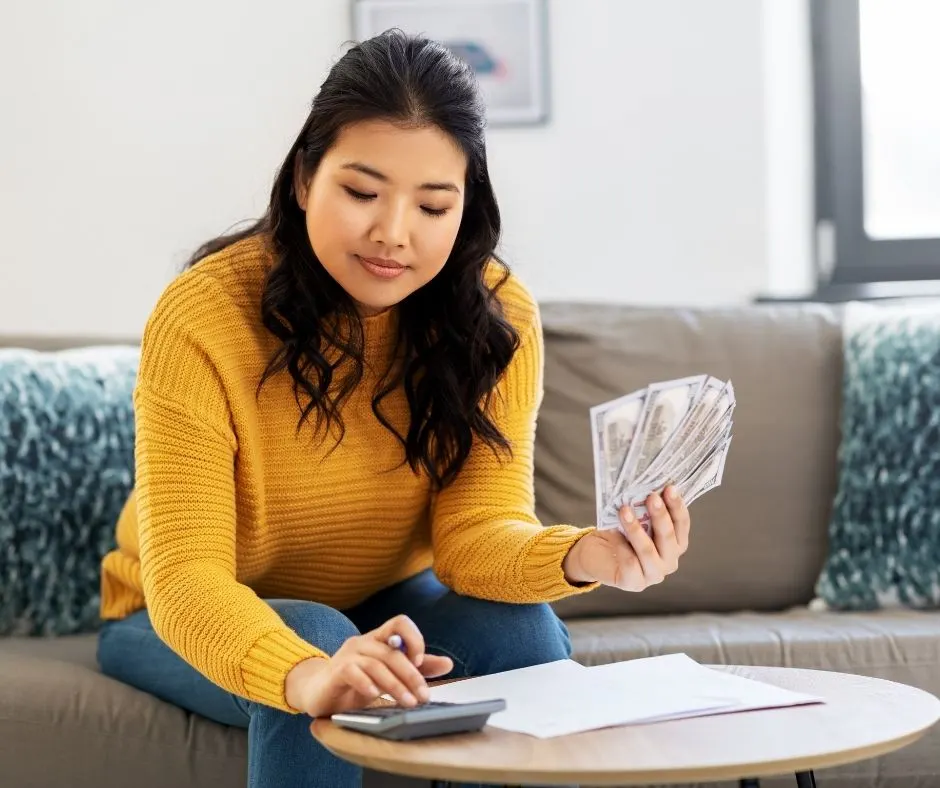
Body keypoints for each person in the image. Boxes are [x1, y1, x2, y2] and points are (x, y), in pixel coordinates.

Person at [96, 28, 692, 788]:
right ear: (305, 178)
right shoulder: (204, 315)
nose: (393, 234)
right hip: (170, 612)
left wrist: (588, 556)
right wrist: (310, 674)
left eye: (433, 205)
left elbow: (474, 541)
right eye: (361, 192)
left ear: (465, 206)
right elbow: (188, 582)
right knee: (315, 635)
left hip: (386, 598)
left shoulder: (495, 317)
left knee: (520, 627)